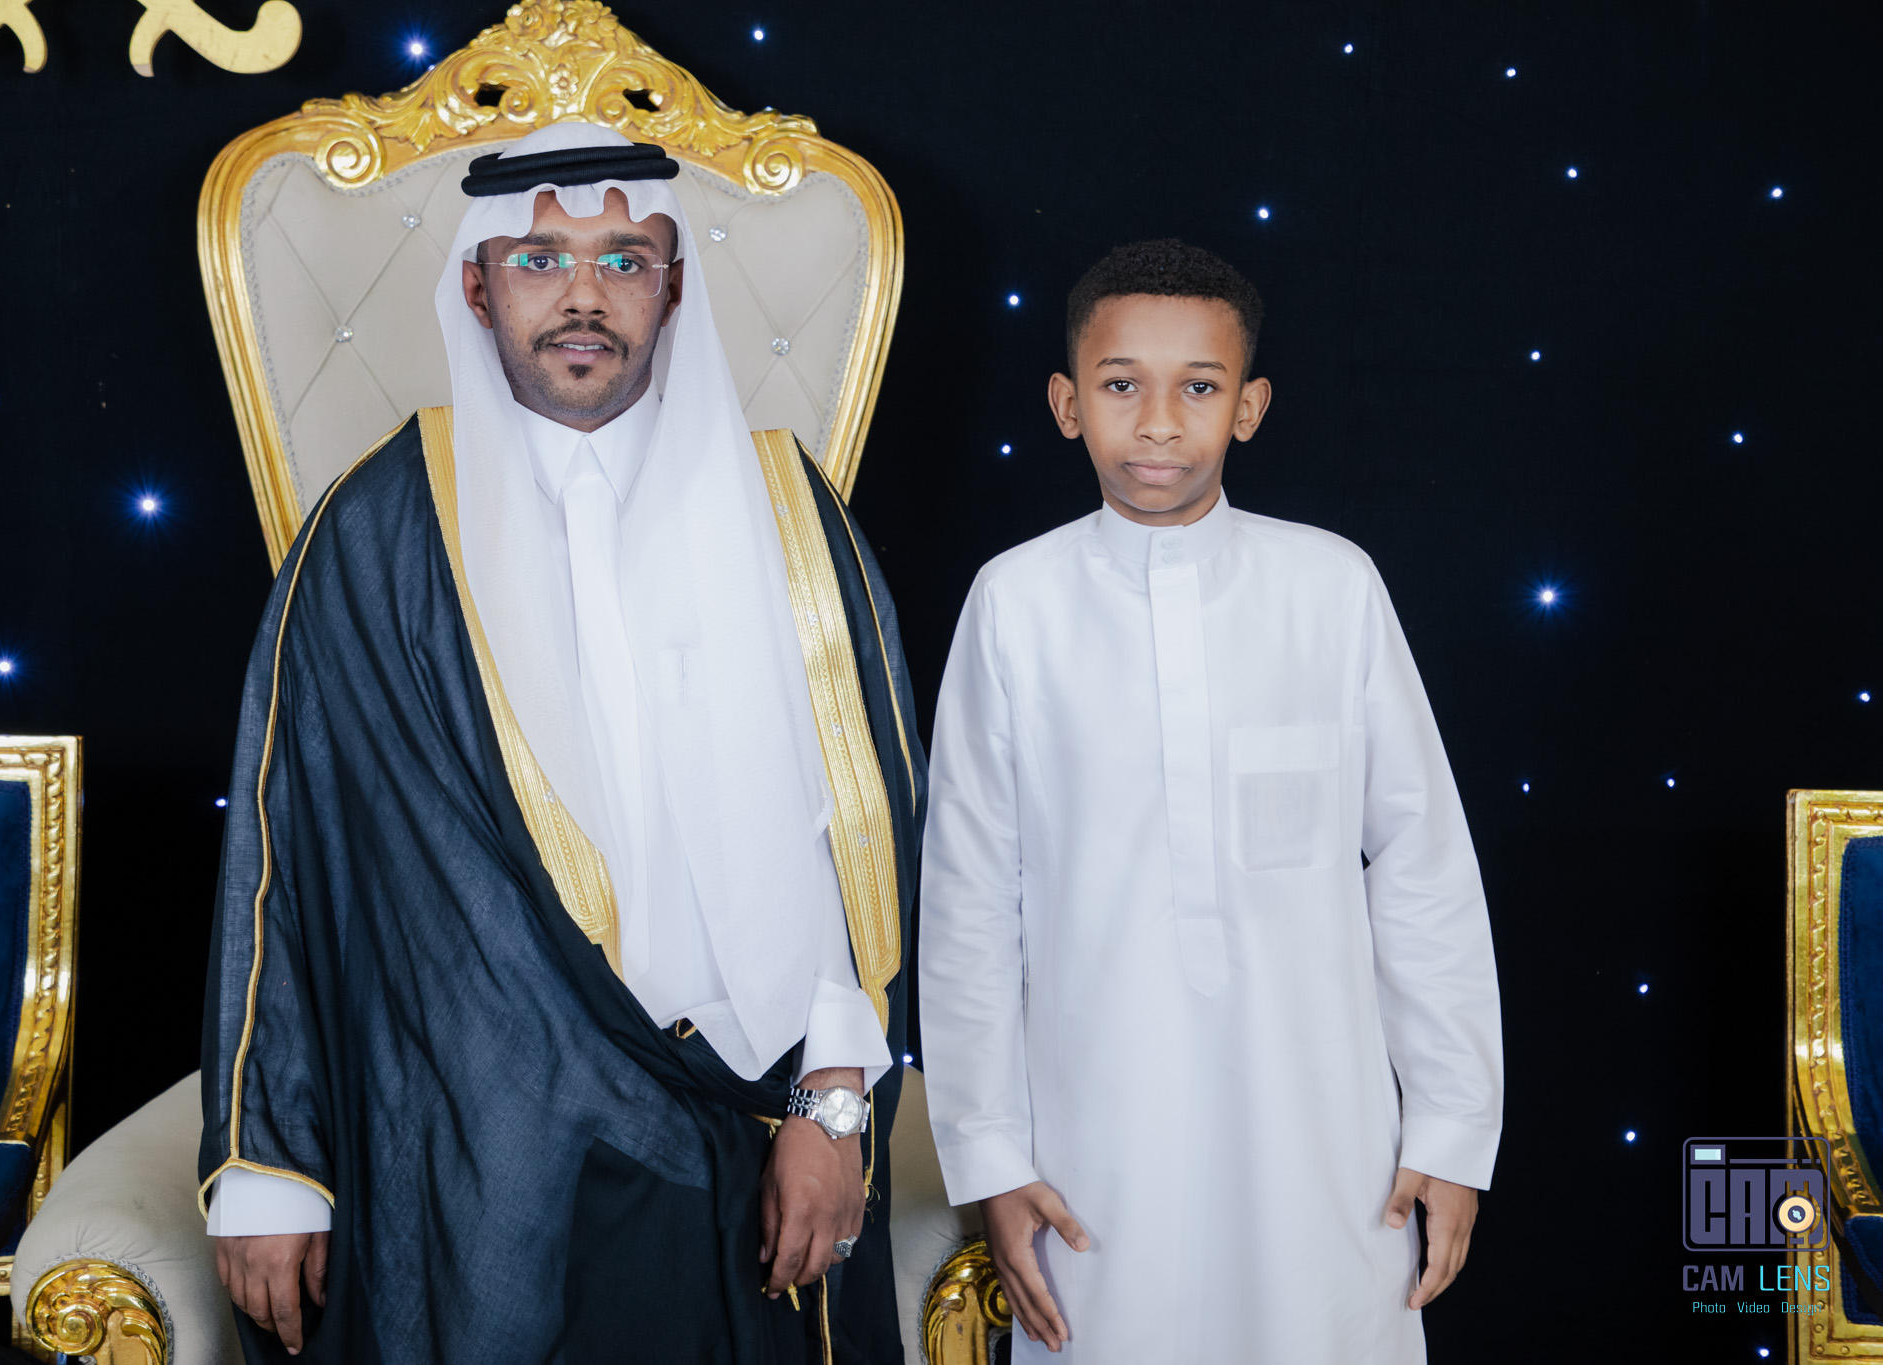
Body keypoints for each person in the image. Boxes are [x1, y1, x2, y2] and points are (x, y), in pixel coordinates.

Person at [198, 122, 924, 1364]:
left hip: (744, 1127)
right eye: (539, 261)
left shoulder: (787, 516)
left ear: (672, 289)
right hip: (467, 1138)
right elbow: (284, 858)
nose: (582, 296)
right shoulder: (378, 532)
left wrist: (834, 1106)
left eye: (623, 260)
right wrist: (268, 1168)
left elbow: (860, 848)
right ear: (478, 287)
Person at [917, 239, 1502, 1362]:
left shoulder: (1331, 588)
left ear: (1248, 407)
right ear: (1065, 403)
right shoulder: (1015, 604)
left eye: (1197, 387)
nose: (1156, 423)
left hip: (1323, 1133)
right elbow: (968, 902)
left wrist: (1451, 1126)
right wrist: (990, 1155)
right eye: (1119, 384)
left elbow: (1421, 864)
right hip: (1094, 1141)